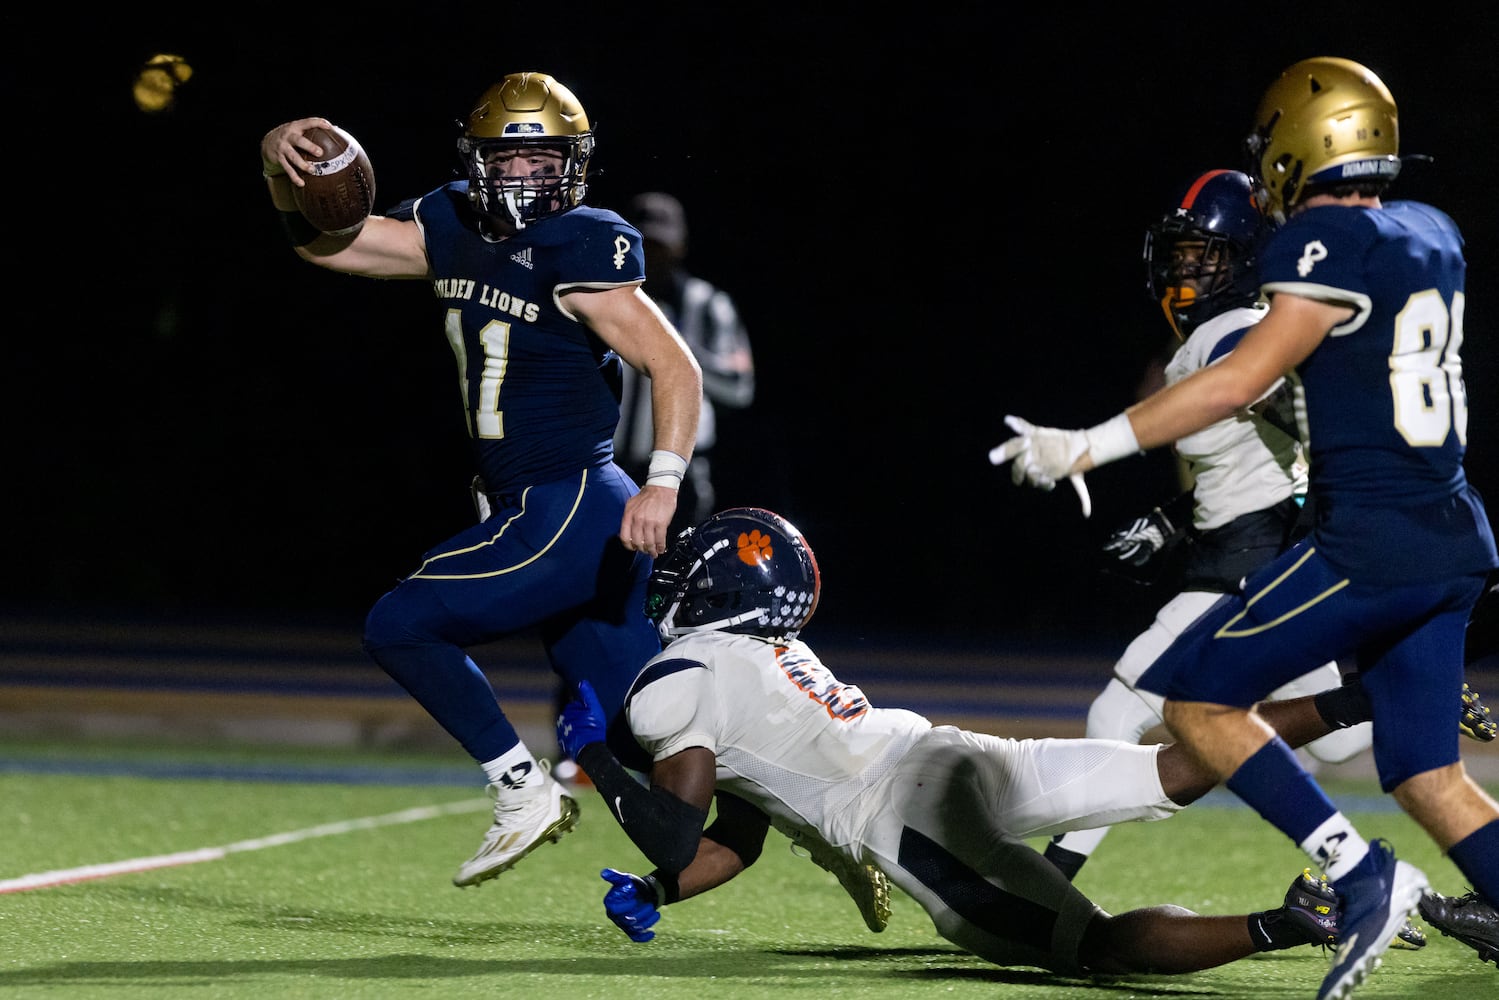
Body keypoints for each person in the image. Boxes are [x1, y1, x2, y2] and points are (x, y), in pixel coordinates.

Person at [990, 57, 1499, 997]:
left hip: (1371, 540)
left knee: (1195, 703)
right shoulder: (1432, 230)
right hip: (1455, 534)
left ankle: (1360, 876)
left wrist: (1083, 448)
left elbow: (1237, 379)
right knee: (1426, 775)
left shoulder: (1315, 244)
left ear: (1308, 145)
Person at [553, 507, 1353, 976]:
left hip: (907, 817)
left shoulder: (679, 675)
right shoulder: (769, 655)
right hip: (949, 752)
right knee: (1171, 764)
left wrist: (589, 751)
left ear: (711, 588)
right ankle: (1353, 699)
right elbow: (739, 833)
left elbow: (670, 831)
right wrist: (663, 891)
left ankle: (1288, 921)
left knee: (1094, 945)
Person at [259, 71, 703, 889]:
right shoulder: (449, 223)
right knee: (659, 728)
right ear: (478, 159)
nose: (528, 177)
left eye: (546, 161)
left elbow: (674, 366)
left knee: (401, 625)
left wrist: (664, 481)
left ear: (573, 165)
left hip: (567, 500)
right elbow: (336, 245)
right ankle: (827, 822)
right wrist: (277, 171)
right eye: (511, 158)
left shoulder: (581, 242)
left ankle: (520, 789)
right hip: (542, 505)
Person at [615, 191, 755, 538]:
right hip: (611, 465)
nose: (653, 258)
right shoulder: (605, 300)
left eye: (661, 247)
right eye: (645, 245)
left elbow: (739, 389)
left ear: (680, 247)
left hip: (683, 475)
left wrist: (673, 349)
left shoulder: (708, 304)